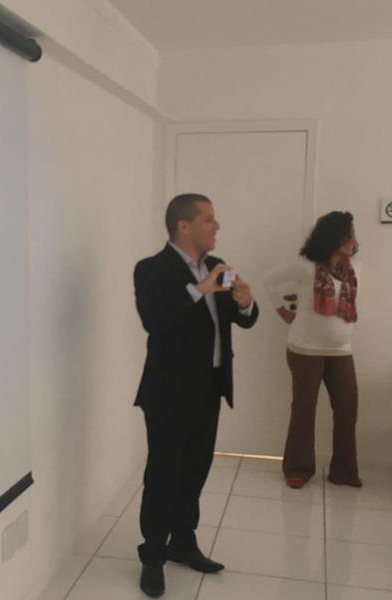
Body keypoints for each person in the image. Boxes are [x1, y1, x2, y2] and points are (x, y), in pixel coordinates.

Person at [133, 193, 259, 597]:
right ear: (183, 226)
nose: (216, 226)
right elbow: (156, 321)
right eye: (209, 219)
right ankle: (153, 556)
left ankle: (183, 544)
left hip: (209, 389)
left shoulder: (217, 266)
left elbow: (242, 320)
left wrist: (246, 302)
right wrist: (200, 288)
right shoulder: (151, 269)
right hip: (168, 394)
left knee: (194, 472)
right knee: (163, 475)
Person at [262, 211, 362, 490]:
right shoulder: (305, 267)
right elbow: (268, 281)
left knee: (347, 407)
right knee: (304, 408)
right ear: (335, 237)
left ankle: (344, 471)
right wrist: (283, 312)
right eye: (349, 233)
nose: (354, 239)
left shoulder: (354, 268)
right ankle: (298, 468)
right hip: (304, 349)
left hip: (341, 350)